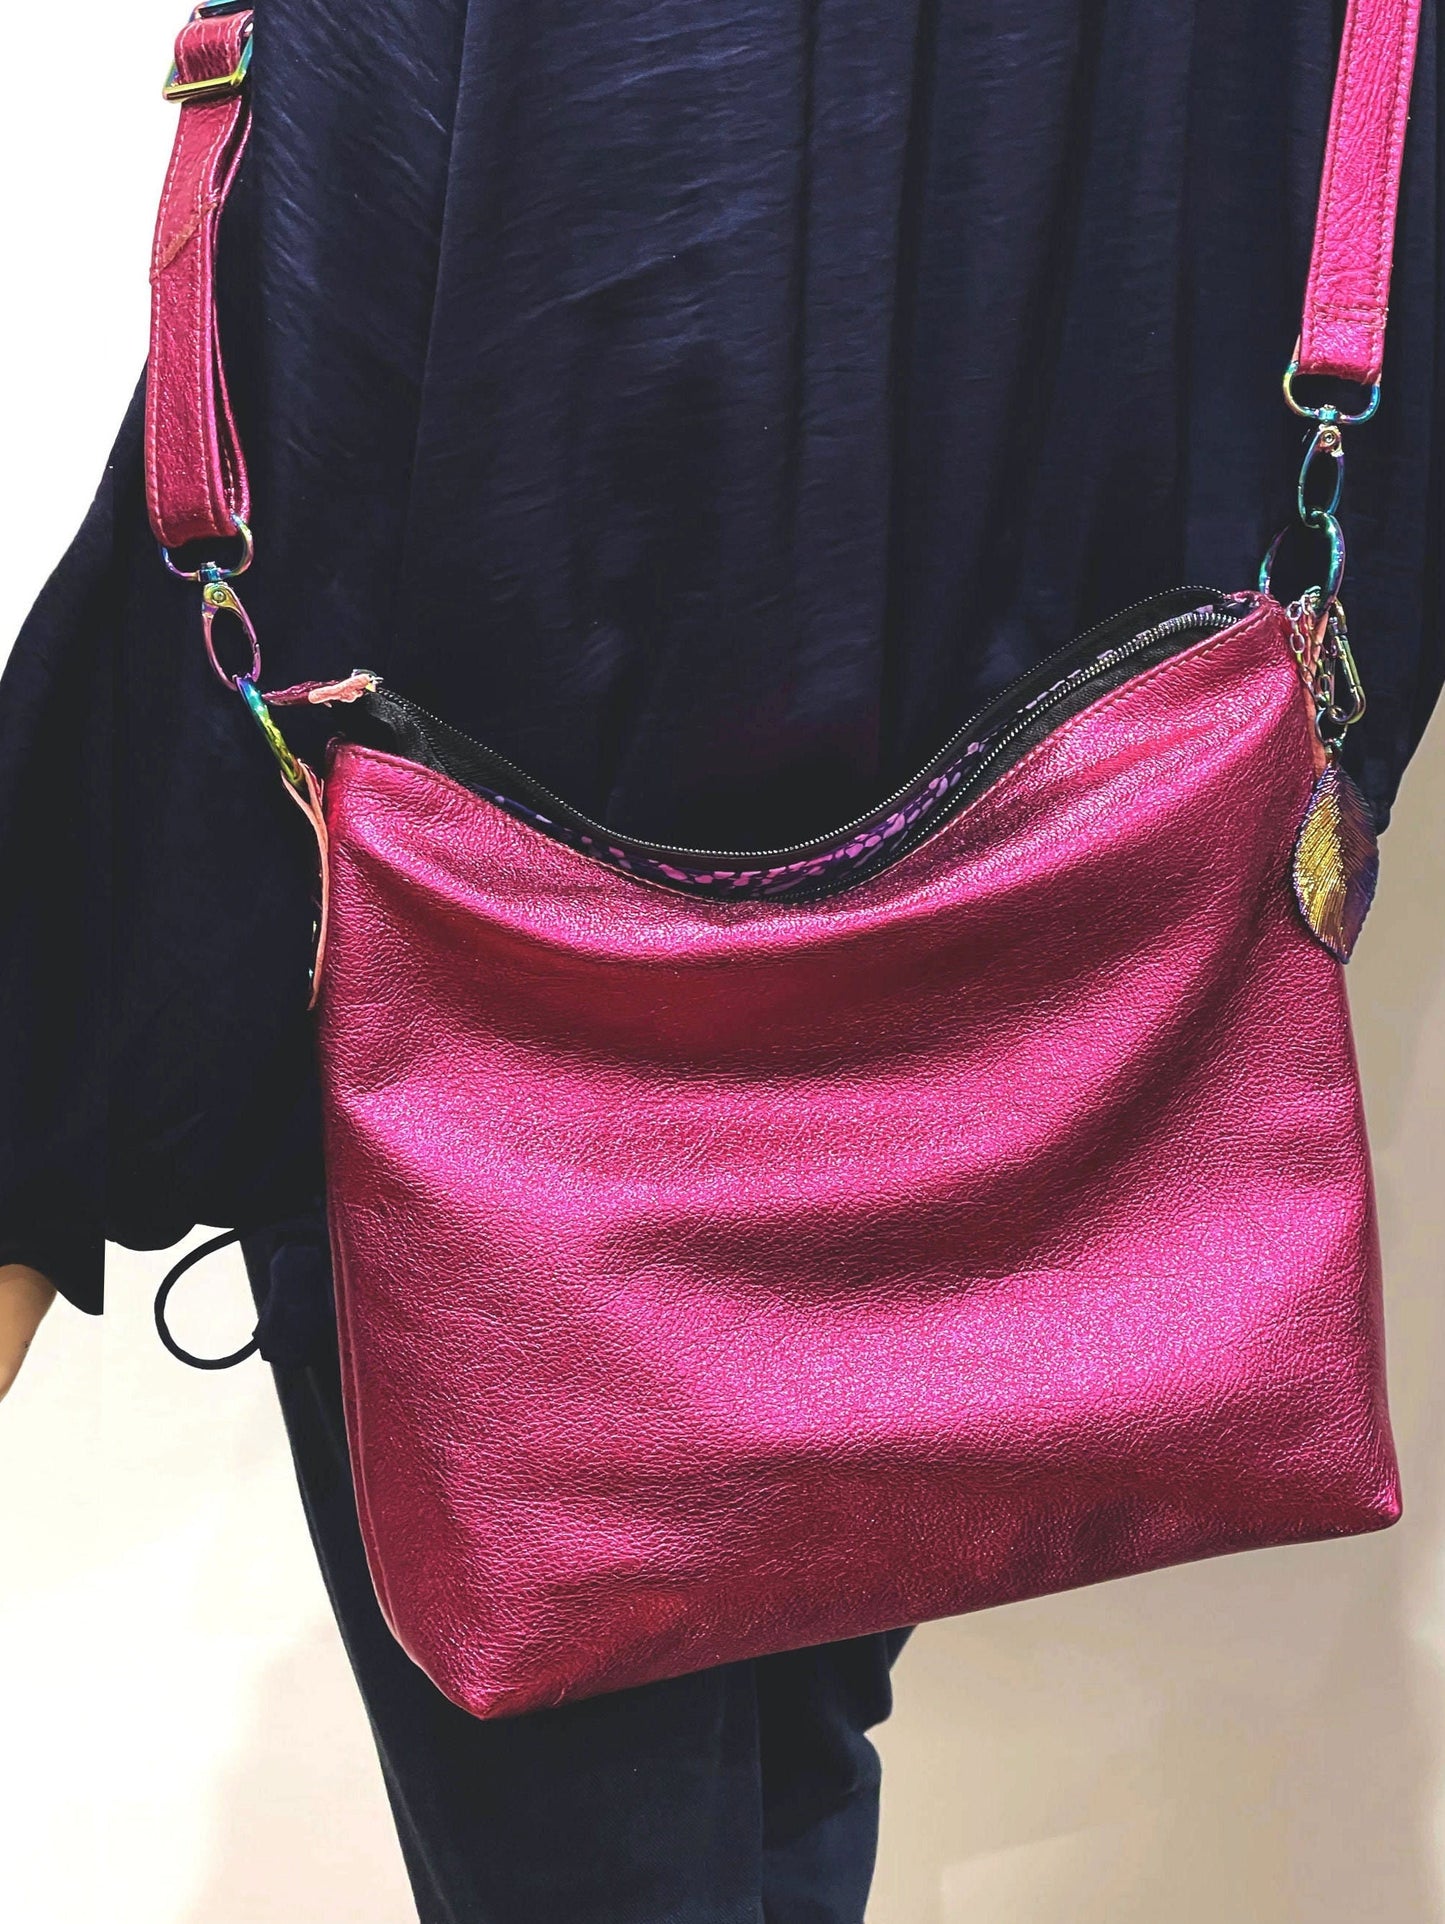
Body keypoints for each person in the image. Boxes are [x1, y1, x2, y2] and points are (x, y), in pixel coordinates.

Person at [2, 2, 1441, 1918]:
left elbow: (287, 444)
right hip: (1036, 1030)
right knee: (771, 1787)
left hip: (535, 1094)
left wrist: (51, 1101)